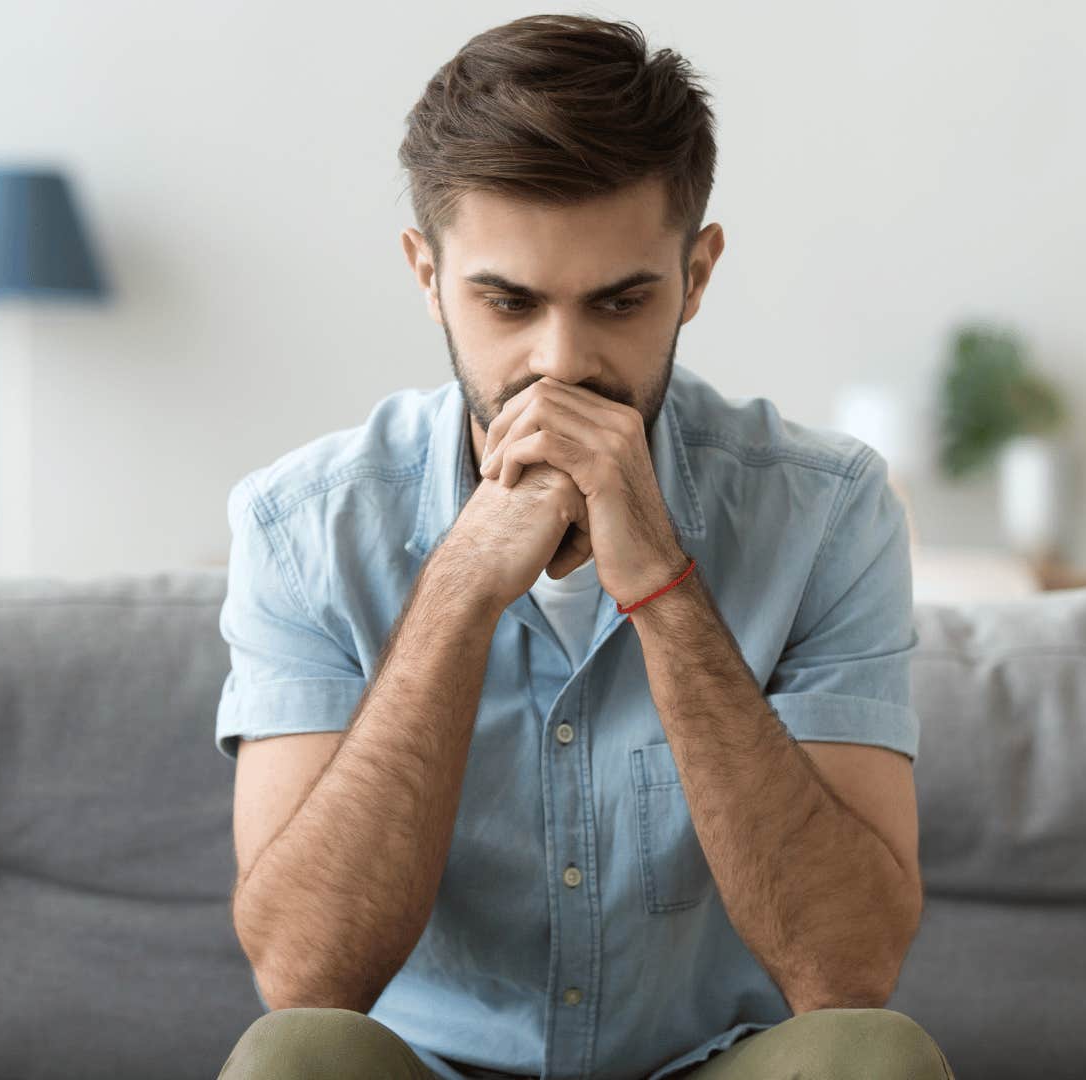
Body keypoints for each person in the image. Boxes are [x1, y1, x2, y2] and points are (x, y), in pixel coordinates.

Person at [213, 13, 953, 1079]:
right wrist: (459, 588)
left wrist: (663, 582)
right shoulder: (302, 527)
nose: (560, 362)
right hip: (434, 1070)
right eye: (506, 302)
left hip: (708, 1061)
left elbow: (849, 973)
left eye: (622, 300)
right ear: (427, 274)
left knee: (873, 1057)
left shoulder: (828, 512)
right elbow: (304, 979)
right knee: (294, 1059)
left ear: (696, 276)